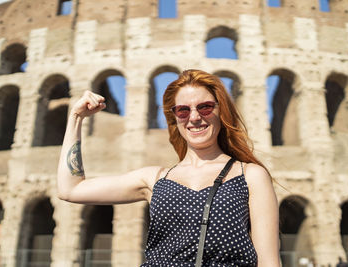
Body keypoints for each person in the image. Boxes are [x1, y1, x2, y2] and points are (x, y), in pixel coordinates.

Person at [57, 69, 280, 266]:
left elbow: (269, 261)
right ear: (174, 119)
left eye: (205, 107)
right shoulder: (155, 179)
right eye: (183, 110)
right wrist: (75, 118)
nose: (194, 117)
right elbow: (71, 189)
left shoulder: (249, 176)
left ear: (221, 112)